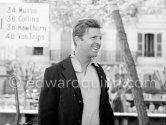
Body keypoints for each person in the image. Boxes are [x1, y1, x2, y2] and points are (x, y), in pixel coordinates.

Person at [38, 19, 114, 125]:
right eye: (93, 38)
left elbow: (106, 112)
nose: (99, 42)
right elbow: (46, 118)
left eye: (100, 38)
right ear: (78, 40)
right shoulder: (54, 73)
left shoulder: (100, 72)